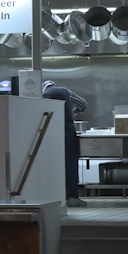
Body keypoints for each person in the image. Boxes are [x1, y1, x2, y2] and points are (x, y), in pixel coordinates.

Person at [42, 80, 88, 208]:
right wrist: (72, 112)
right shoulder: (65, 91)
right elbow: (83, 104)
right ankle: (72, 197)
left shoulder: (41, 95)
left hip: (50, 135)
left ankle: (56, 197)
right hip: (67, 131)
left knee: (52, 167)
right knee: (71, 165)